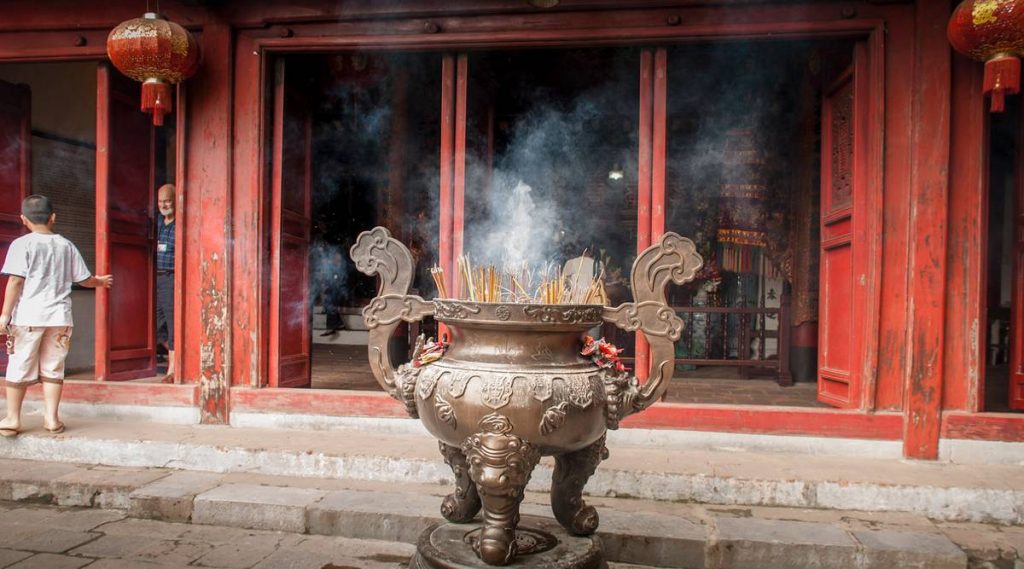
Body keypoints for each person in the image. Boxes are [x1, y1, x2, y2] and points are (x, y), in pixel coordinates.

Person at [0, 195, 112, 436]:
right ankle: (51, 419)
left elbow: (15, 282)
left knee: (19, 365)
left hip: (29, 317)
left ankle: (12, 418)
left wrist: (4, 315)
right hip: (59, 318)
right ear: (53, 217)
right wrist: (99, 282)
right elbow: (83, 279)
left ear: (23, 219)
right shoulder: (66, 245)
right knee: (53, 367)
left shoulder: (21, 245)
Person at [155, 184, 176, 382]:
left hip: (172, 277)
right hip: (157, 277)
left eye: (167, 200)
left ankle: (172, 369)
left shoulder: (180, 224)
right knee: (156, 323)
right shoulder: (158, 222)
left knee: (171, 321)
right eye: (160, 201)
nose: (163, 205)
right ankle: (178, 359)